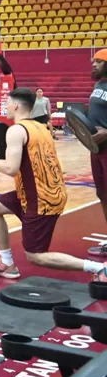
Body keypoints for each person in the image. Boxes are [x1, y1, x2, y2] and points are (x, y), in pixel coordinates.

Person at [0, 87, 107, 282]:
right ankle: (7, 263)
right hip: (40, 192)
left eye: (8, 103)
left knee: (36, 256)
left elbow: (11, 168)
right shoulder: (42, 128)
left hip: (40, 199)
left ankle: (99, 268)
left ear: (16, 105)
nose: (6, 107)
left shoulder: (16, 131)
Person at [88, 49, 107, 257]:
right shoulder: (98, 85)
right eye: (93, 61)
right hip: (97, 149)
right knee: (102, 194)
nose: (94, 65)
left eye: (99, 62)